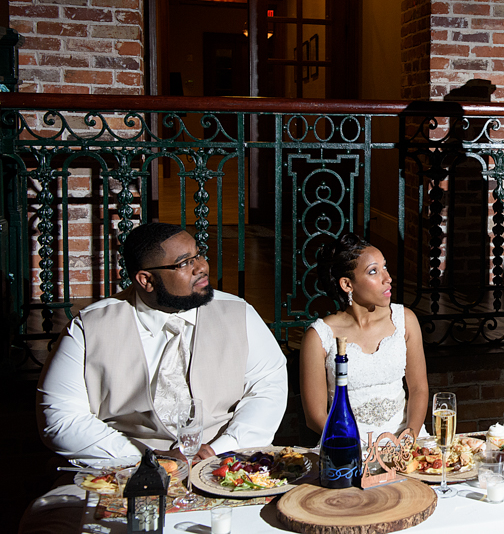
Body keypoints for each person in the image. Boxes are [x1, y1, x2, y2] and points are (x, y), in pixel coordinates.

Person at [25, 223, 288, 533]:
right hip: (121, 471)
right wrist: (146, 459)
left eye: (198, 255)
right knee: (49, 522)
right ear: (146, 279)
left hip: (224, 466)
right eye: (184, 262)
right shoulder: (89, 327)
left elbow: (268, 388)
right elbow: (59, 417)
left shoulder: (238, 313)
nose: (201, 267)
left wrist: (220, 449)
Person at [300, 233, 428, 442]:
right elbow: (315, 417)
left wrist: (410, 437)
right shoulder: (320, 337)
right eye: (373, 271)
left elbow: (419, 389)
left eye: (384, 267)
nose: (387, 278)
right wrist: (353, 449)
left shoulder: (404, 320)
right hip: (346, 448)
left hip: (405, 444)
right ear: (347, 284)